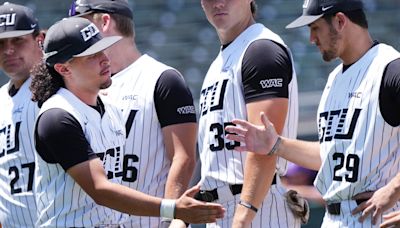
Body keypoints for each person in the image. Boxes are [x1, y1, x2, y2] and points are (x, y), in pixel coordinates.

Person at [29, 16, 224, 227]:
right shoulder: (57, 117)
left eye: (102, 49)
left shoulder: (110, 108)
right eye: (91, 55)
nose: (104, 59)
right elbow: (100, 189)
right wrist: (173, 209)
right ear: (64, 69)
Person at [225, 0, 400, 227]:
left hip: (377, 217)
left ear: (339, 21)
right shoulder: (334, 79)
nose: (311, 39)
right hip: (334, 217)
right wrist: (276, 145)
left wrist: (394, 189)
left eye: (315, 27)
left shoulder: (391, 69)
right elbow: (329, 155)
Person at [68, 0, 198, 227]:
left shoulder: (162, 78)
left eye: (81, 25)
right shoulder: (83, 87)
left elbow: (184, 158)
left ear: (105, 22)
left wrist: (172, 219)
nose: (76, 34)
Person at [197, 0, 301, 227]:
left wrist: (244, 216)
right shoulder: (219, 61)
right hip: (222, 209)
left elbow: (266, 146)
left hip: (257, 208)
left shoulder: (261, 49)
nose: (219, 3)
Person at [0, 2, 44, 227]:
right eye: (1, 43)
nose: (8, 50)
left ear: (40, 40)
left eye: (18, 40)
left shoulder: (61, 88)